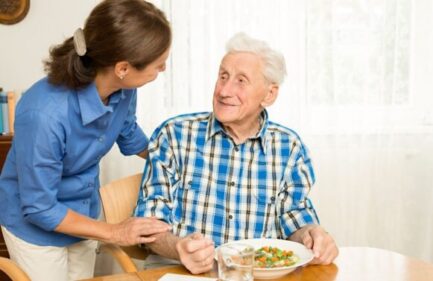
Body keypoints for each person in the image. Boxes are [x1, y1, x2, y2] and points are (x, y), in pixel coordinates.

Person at [134, 33, 339, 274]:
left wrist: (312, 236)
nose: (224, 91)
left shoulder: (290, 148)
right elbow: (148, 225)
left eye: (241, 81)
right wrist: (178, 246)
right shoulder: (174, 135)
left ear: (269, 94)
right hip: (181, 273)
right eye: (223, 76)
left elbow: (294, 217)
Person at [0, 1, 172, 280]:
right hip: (34, 226)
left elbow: (127, 133)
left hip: (83, 209)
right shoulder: (44, 114)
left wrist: (175, 159)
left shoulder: (123, 89)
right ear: (123, 68)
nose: (163, 68)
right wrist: (115, 231)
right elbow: (40, 207)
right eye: (159, 63)